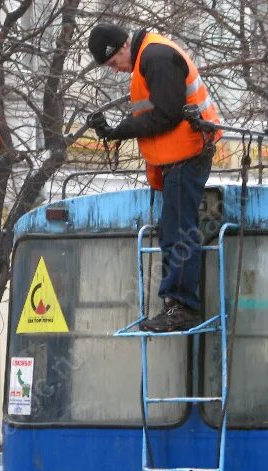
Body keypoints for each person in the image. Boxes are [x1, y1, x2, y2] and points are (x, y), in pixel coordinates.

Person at [87, 23, 222, 332]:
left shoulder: (156, 58)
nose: (115, 71)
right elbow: (148, 111)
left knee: (178, 231)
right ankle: (176, 304)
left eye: (112, 63)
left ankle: (183, 305)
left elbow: (165, 115)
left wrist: (120, 130)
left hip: (188, 154)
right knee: (171, 230)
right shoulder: (147, 62)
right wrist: (116, 128)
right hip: (179, 158)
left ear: (122, 47)